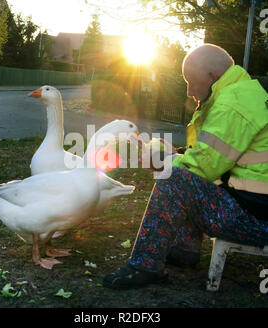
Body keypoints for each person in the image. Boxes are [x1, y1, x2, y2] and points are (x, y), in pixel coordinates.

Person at [103, 43, 268, 290]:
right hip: (255, 209)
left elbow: (201, 168)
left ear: (212, 77)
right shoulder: (241, 95)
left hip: (256, 220)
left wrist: (162, 161)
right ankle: (183, 252)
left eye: (191, 82)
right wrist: (175, 154)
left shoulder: (231, 105)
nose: (189, 91)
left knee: (176, 177)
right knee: (185, 175)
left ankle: (143, 265)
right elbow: (214, 160)